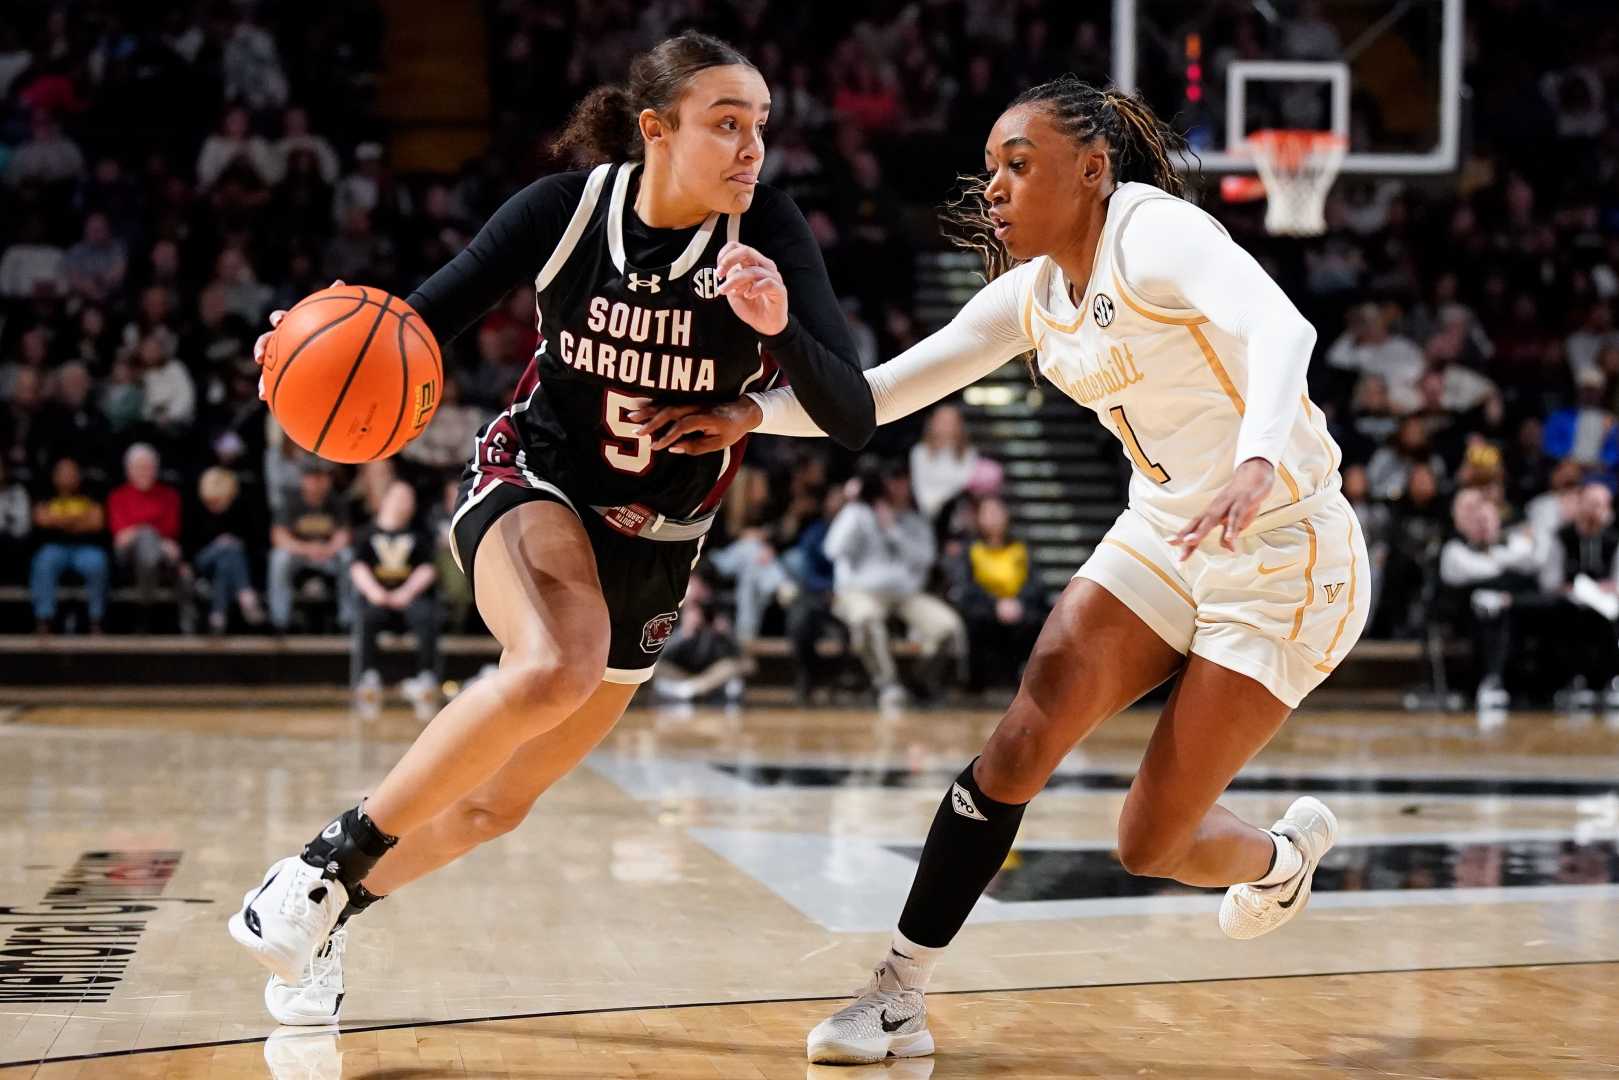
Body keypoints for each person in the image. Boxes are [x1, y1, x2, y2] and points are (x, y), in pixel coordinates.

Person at [639, 76, 1367, 1064]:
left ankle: (1277, 861)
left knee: (1149, 842)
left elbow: (1283, 329)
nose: (993, 189)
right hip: (1162, 532)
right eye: (988, 171)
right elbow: (882, 394)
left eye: (1017, 166)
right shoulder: (1032, 295)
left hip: (1283, 551)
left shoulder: (1151, 234)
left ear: (1092, 170)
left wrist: (1253, 457)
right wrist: (753, 414)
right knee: (1022, 735)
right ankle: (895, 994)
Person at [230, 31, 874, 1028]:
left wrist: (779, 330)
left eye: (759, 126)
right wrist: (307, 346)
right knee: (551, 664)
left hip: (658, 545)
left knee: (496, 807)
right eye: (726, 123)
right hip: (534, 480)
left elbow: (855, 417)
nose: (751, 147)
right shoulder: (566, 212)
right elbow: (416, 320)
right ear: (655, 131)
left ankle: (326, 916)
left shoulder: (770, 233)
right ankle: (319, 864)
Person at [823, 462, 967, 706]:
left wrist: (892, 530)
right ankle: (886, 684)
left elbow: (926, 558)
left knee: (948, 628)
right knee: (866, 618)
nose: (897, 487)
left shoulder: (914, 520)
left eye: (902, 480)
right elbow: (832, 549)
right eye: (891, 480)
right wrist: (854, 507)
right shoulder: (857, 514)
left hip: (906, 594)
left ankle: (918, 681)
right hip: (860, 591)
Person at [349, 481, 441, 716]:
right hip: (378, 599)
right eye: (401, 497)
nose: (406, 503)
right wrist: (374, 592)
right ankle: (368, 676)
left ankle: (425, 675)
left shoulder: (419, 535)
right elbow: (358, 567)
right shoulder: (366, 534)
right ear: (387, 499)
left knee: (426, 615)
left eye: (410, 498)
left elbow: (428, 569)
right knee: (366, 617)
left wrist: (406, 593)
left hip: (409, 599)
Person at [948, 495, 1044, 693]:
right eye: (988, 513)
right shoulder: (971, 548)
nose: (993, 518)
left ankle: (1026, 681)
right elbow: (965, 587)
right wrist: (995, 604)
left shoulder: (1020, 547)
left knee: (1035, 620)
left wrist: (1018, 602)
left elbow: (1035, 584)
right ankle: (978, 685)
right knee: (977, 620)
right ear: (979, 518)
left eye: (997, 512)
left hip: (1017, 606)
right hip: (984, 607)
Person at [267, 462, 352, 632]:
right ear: (304, 479)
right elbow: (279, 537)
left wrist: (327, 549)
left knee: (348, 556)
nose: (318, 482)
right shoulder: (291, 501)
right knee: (279, 558)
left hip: (328, 555)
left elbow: (344, 535)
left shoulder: (336, 501)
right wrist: (308, 549)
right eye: (313, 477)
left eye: (322, 477)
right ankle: (280, 620)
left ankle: (347, 619)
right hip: (299, 555)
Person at [106, 443, 182, 630]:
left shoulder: (169, 495)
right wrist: (147, 531)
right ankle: (148, 608)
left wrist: (138, 531)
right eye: (139, 468)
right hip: (128, 555)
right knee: (147, 537)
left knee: (152, 544)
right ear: (129, 471)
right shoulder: (118, 496)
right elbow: (120, 535)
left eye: (149, 467)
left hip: (161, 554)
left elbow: (172, 529)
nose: (145, 472)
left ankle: (144, 609)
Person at [30, 457, 109, 634]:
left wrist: (58, 520)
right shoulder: (46, 495)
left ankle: (96, 619)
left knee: (98, 562)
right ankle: (44, 618)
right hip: (55, 547)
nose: (68, 477)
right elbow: (41, 519)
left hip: (85, 549)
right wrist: (78, 520)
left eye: (72, 473)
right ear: (55, 477)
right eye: (63, 473)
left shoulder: (90, 494)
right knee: (44, 561)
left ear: (79, 476)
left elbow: (96, 522)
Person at [184, 466, 264, 633]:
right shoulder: (195, 510)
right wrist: (220, 545)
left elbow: (253, 544)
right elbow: (189, 546)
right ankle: (245, 594)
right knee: (229, 547)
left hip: (231, 565)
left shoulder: (241, 509)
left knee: (226, 563)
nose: (216, 505)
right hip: (203, 561)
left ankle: (217, 615)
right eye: (212, 502)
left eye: (221, 500)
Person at [908, 403, 979, 522]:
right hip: (929, 516)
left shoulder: (968, 453)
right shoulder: (919, 453)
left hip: (960, 516)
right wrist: (944, 501)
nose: (946, 426)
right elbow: (922, 495)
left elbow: (966, 484)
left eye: (951, 421)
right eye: (942, 420)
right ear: (932, 423)